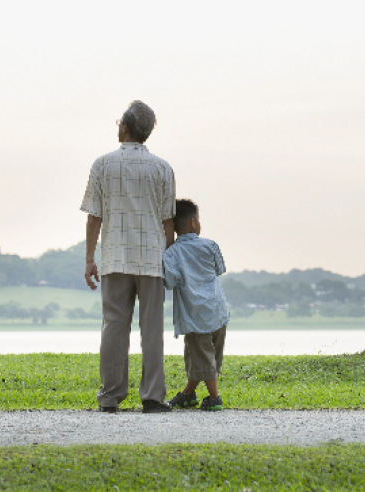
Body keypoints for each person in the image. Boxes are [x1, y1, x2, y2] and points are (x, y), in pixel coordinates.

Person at [81, 100, 175, 414]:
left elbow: (95, 216)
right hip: (151, 259)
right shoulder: (163, 168)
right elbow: (167, 221)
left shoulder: (102, 165)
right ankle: (151, 396)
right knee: (151, 330)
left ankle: (110, 396)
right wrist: (170, 258)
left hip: (115, 257)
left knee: (114, 327)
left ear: (124, 126)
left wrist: (89, 258)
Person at [163, 199, 230, 411]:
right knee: (209, 355)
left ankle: (205, 396)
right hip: (217, 309)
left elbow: (169, 281)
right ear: (193, 223)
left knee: (198, 354)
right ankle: (200, 395)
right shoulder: (210, 245)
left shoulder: (171, 253)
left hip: (193, 312)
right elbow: (220, 269)